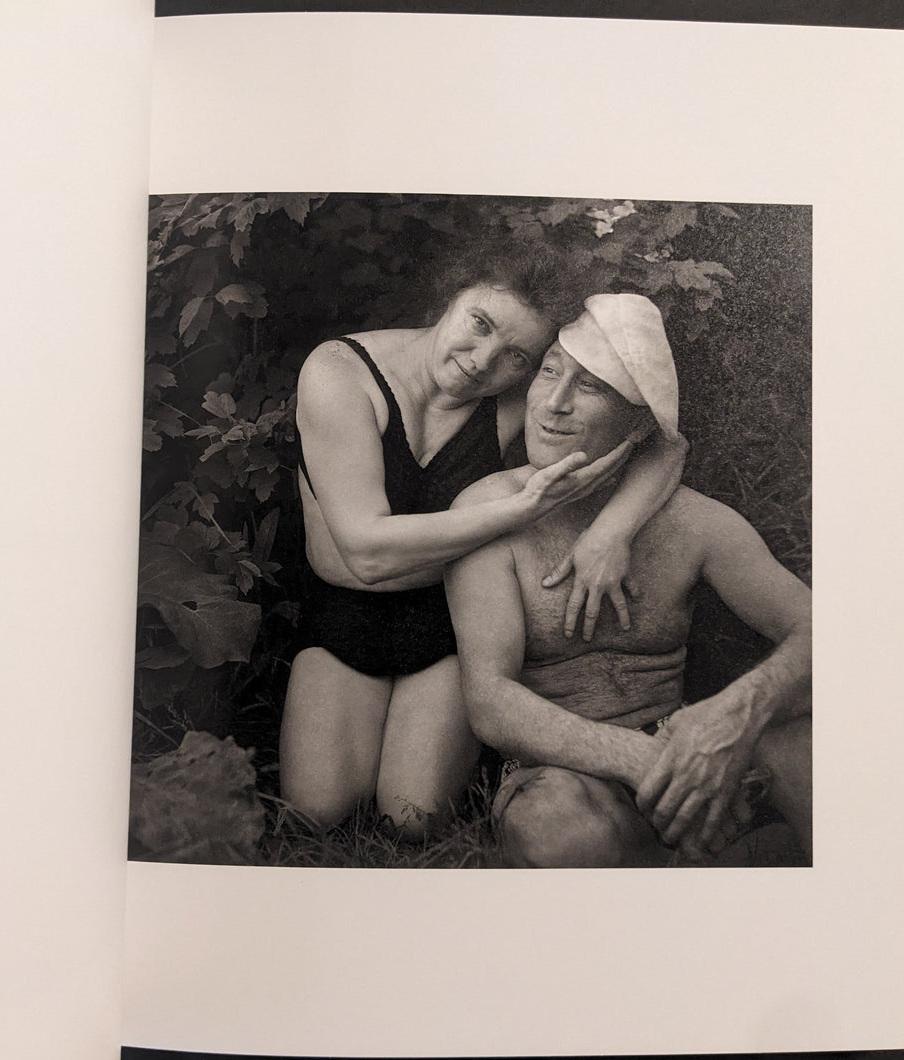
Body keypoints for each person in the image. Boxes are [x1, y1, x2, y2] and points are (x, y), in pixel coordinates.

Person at [281, 243, 688, 838]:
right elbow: (365, 554)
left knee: (410, 819)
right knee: (315, 813)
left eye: (516, 356)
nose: (482, 360)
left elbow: (666, 445)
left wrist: (612, 530)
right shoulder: (340, 373)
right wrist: (523, 510)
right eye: (480, 324)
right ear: (453, 296)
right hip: (346, 613)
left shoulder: (508, 404)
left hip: (448, 622)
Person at [446, 293, 812, 866]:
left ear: (638, 423)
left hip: (685, 749)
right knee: (553, 824)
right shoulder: (488, 510)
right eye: (548, 372)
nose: (553, 404)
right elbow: (491, 701)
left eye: (589, 386)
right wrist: (644, 761)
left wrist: (732, 717)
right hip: (561, 770)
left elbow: (824, 633)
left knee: (807, 752)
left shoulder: (696, 523)